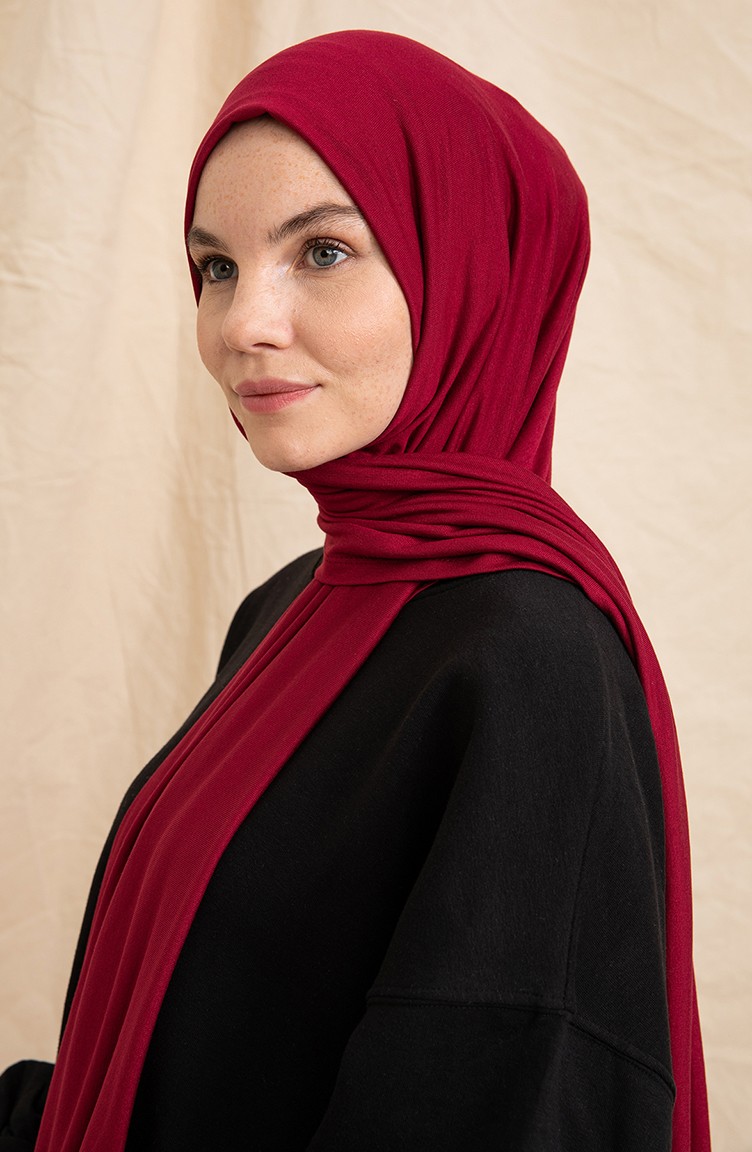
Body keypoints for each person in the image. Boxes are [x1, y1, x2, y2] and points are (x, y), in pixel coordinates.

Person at [0, 30, 710, 1152]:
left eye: (321, 251)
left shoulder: (529, 659)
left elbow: (504, 1099)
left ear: (470, 271)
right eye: (216, 267)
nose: (243, 324)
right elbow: (210, 1049)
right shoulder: (290, 607)